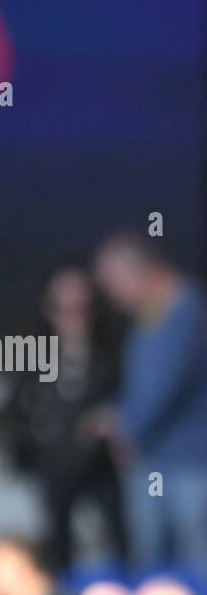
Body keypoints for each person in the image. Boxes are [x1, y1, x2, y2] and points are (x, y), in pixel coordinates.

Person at [91, 233, 207, 575]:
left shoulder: (183, 311)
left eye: (114, 286)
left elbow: (162, 386)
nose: (112, 299)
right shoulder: (153, 314)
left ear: (138, 273)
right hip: (158, 463)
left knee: (193, 570)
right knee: (155, 573)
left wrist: (123, 427)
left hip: (188, 468)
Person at [4, 263, 126, 571]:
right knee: (56, 547)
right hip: (53, 468)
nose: (74, 316)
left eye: (82, 307)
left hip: (104, 470)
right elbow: (15, 411)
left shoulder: (115, 352)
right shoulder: (32, 354)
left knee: (118, 542)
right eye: (64, 308)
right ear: (49, 309)